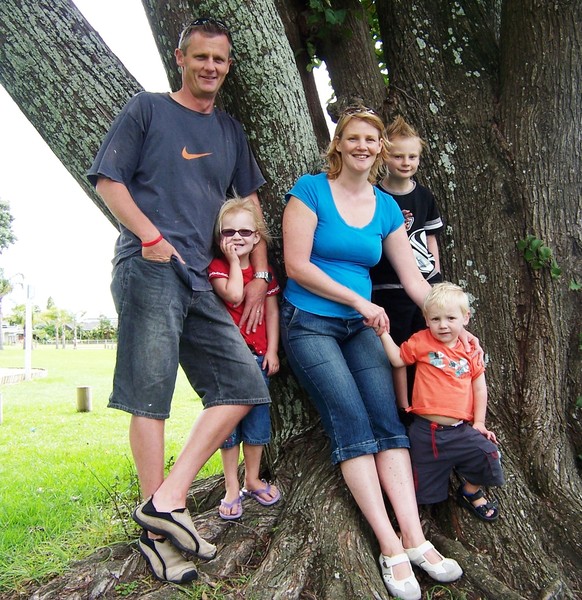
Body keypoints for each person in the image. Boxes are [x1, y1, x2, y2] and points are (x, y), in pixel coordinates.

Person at [87, 17, 272, 584]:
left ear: (228, 65)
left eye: (219, 60)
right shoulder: (147, 109)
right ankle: (158, 531)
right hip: (150, 267)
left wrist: (260, 273)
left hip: (201, 278)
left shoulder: (230, 132)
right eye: (201, 58)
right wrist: (152, 239)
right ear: (181, 58)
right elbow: (108, 180)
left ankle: (165, 501)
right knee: (151, 398)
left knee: (244, 385)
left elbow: (251, 204)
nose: (210, 67)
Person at [280, 105, 463, 600]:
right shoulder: (311, 190)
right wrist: (360, 299)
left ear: (380, 149)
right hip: (312, 323)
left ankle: (416, 538)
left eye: (372, 139)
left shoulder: (385, 206)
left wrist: (453, 323)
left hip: (361, 326)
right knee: (353, 426)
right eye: (354, 137)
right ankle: (389, 547)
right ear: (338, 143)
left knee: (388, 422)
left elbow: (412, 278)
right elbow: (296, 265)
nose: (363, 146)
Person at [380, 282, 504, 522]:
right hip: (426, 432)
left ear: (465, 318)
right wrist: (383, 333)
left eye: (450, 318)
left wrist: (479, 422)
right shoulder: (421, 341)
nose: (443, 325)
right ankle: (407, 523)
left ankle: (469, 491)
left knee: (489, 455)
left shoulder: (470, 351)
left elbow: (479, 387)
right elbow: (398, 360)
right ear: (426, 320)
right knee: (418, 485)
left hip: (460, 431)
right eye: (435, 319)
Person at [208, 197, 281, 520]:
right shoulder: (218, 268)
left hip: (258, 358)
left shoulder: (267, 277)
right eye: (228, 232)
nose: (236, 238)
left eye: (245, 232)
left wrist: (274, 350)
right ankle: (230, 486)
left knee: (257, 424)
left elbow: (272, 311)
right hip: (225, 362)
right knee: (227, 428)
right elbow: (235, 295)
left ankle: (252, 478)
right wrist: (237, 264)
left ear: (256, 238)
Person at [371, 116, 443, 414]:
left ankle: (429, 407)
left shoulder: (424, 195)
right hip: (387, 289)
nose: (405, 162)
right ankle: (402, 410)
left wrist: (436, 275)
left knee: (427, 346)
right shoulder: (375, 194)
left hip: (423, 285)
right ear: (384, 155)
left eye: (412, 156)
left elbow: (430, 237)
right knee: (397, 352)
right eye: (398, 156)